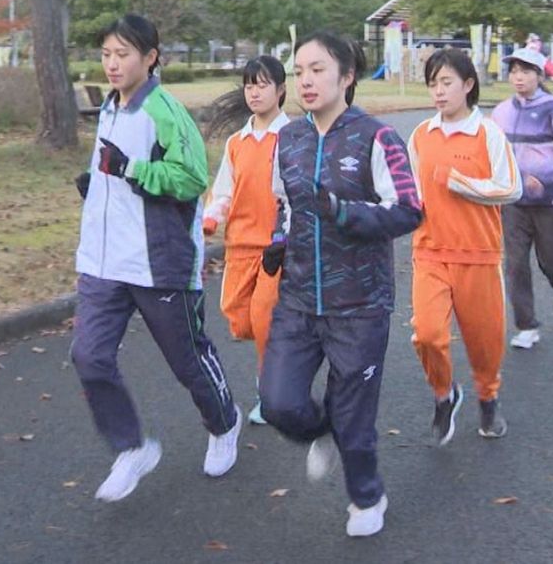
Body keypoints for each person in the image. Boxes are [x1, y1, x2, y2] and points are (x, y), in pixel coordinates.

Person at [71, 14, 242, 503]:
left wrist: (130, 171)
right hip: (103, 262)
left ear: (151, 57)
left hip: (158, 261)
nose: (112, 63)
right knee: (88, 355)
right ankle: (130, 448)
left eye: (123, 54)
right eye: (106, 54)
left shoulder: (165, 109)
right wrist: (97, 186)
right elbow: (113, 166)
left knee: (187, 359)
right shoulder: (109, 106)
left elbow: (190, 178)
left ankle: (224, 422)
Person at [259, 31, 422, 537]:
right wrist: (279, 240)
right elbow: (284, 204)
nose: (305, 81)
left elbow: (409, 210)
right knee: (278, 403)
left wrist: (340, 211)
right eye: (299, 71)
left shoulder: (378, 138)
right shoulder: (288, 138)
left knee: (355, 420)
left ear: (347, 77)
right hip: (299, 299)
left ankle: (367, 498)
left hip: (360, 304)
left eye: (317, 70)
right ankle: (318, 428)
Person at [407, 49, 523, 444]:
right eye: (432, 84)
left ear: (468, 85)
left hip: (478, 255)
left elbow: (510, 187)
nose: (438, 92)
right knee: (427, 334)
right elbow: (411, 192)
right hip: (430, 252)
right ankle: (444, 394)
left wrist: (456, 180)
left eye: (446, 83)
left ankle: (488, 398)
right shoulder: (421, 135)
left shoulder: (488, 133)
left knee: (485, 342)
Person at [202, 56, 291, 425]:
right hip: (239, 244)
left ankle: (269, 393)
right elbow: (224, 189)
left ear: (281, 90)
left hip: (275, 247)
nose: (254, 92)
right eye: (249, 85)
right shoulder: (237, 142)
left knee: (264, 316)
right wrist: (211, 217)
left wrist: (289, 233)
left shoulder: (292, 138)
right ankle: (284, 361)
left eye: (263, 85)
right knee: (238, 319)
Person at [490, 46, 553, 349]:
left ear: (538, 75)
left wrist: (544, 174)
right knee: (516, 263)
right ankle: (526, 326)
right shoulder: (502, 111)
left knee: (551, 258)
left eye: (525, 72)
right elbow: (491, 149)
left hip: (550, 201)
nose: (518, 78)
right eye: (514, 72)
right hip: (514, 201)